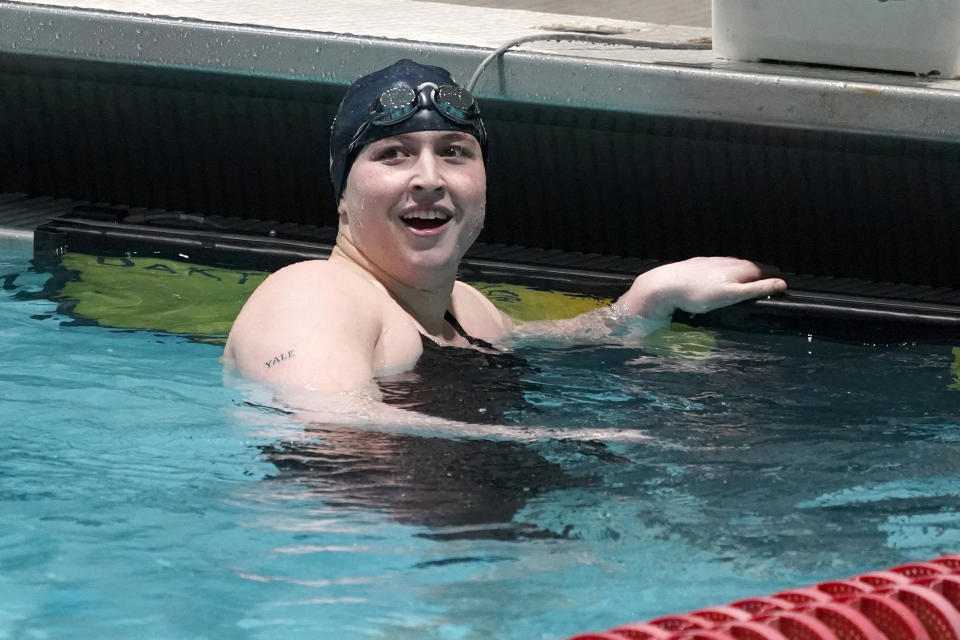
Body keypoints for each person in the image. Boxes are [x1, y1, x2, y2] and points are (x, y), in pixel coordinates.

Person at [223, 59, 786, 413]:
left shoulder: (467, 310)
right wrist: (570, 444)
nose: (428, 178)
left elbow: (548, 340)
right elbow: (329, 428)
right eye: (393, 155)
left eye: (454, 153)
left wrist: (642, 302)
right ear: (343, 196)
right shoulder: (313, 294)